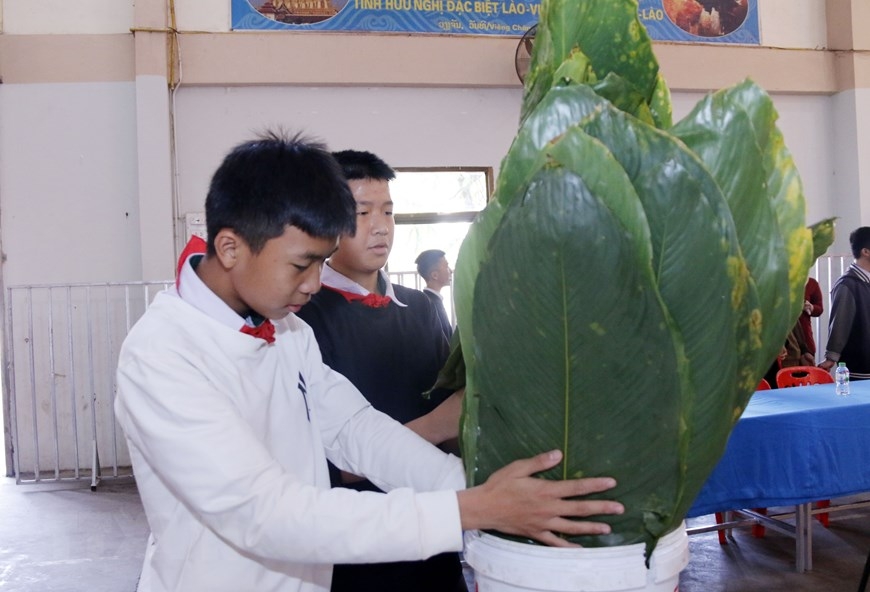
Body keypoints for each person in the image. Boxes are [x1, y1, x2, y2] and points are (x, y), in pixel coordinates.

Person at [114, 132, 624, 592]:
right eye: (301, 263)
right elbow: (264, 514)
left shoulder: (287, 331)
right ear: (229, 247)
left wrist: (473, 487)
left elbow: (357, 431)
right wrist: (468, 509)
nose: (315, 283)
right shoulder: (162, 355)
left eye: (321, 260)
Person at [297, 150, 465, 591]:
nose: (380, 226)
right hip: (359, 543)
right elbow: (327, 464)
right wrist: (436, 426)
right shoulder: (304, 320)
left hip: (437, 531)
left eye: (388, 211)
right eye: (362, 212)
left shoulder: (426, 309)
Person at [819, 226, 870, 380]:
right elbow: (840, 323)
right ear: (865, 252)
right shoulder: (848, 284)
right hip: (860, 370)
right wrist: (831, 357)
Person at [415, 248, 454, 339]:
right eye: (447, 266)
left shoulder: (429, 300)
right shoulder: (431, 304)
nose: (451, 271)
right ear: (435, 275)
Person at [799, 277, 824, 360]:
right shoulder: (778, 281)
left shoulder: (811, 283)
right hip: (785, 340)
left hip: (805, 336)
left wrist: (811, 307)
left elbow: (820, 309)